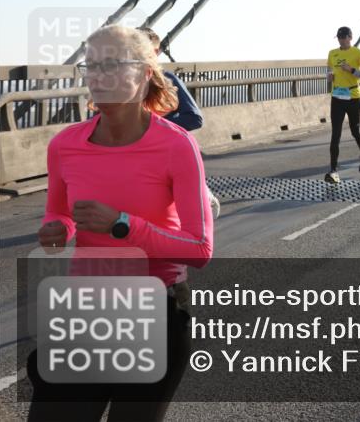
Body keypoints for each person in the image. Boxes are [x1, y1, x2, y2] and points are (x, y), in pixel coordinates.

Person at [30, 24, 213, 421]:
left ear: (146, 72)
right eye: (91, 65)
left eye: (112, 64)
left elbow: (199, 248)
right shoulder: (65, 145)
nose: (98, 75)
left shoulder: (176, 145)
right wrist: (57, 230)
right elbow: (59, 212)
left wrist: (123, 226)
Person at [137, 27, 221, 220]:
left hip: (165, 158)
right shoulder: (120, 81)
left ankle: (203, 200)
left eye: (142, 48)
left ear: (155, 52)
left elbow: (194, 117)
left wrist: (154, 127)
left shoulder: (168, 80)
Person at [325, 26, 360, 184]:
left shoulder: (357, 53)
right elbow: (330, 71)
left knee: (355, 131)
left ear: (350, 38)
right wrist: (330, 76)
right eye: (338, 37)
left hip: (353, 97)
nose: (340, 40)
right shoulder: (332, 53)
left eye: (343, 37)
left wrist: (352, 70)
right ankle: (333, 171)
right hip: (337, 97)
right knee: (335, 134)